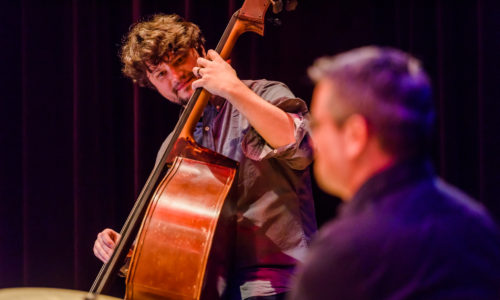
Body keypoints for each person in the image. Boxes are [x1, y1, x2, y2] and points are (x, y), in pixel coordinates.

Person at [92, 14, 317, 300]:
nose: (175, 75)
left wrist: (233, 89)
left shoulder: (263, 93)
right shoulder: (173, 147)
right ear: (150, 84)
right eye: (160, 73)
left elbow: (303, 149)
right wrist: (129, 253)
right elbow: (178, 241)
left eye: (178, 58)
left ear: (199, 50)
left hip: (280, 283)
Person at [289, 46, 500, 299]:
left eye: (318, 125)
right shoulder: (477, 225)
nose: (313, 140)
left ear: (355, 135)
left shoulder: (344, 256)